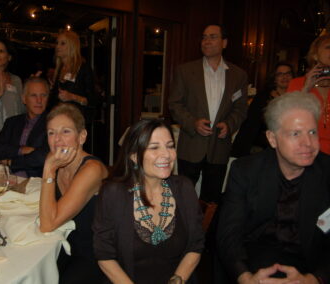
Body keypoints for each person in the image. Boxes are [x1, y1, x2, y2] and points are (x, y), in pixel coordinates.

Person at [216, 91, 330, 284]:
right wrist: (245, 278)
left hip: (311, 264)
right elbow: (229, 234)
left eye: (312, 132)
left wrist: (315, 279)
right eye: (295, 134)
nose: (308, 143)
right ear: (272, 138)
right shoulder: (245, 171)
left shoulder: (327, 171)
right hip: (253, 261)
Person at [93, 119, 205, 284]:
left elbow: (196, 245)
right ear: (134, 155)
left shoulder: (184, 188)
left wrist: (177, 281)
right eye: (154, 147)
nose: (166, 154)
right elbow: (104, 254)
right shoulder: (113, 193)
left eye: (170, 146)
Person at [168, 24, 248, 204]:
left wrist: (229, 124)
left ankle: (206, 232)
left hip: (219, 147)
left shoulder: (238, 75)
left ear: (224, 43)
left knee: (211, 201)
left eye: (212, 37)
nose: (206, 41)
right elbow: (174, 104)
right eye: (204, 37)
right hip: (191, 145)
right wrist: (193, 122)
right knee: (182, 198)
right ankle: (182, 231)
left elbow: (241, 108)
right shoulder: (185, 71)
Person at [39, 103, 108, 283]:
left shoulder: (92, 169)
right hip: (65, 246)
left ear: (82, 136)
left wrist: (48, 171)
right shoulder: (56, 161)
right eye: (51, 133)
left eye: (66, 131)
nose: (57, 140)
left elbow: (48, 223)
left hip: (96, 254)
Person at [0, 77, 50, 177]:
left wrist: (10, 162)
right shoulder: (12, 122)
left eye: (43, 95)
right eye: (34, 95)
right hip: (7, 179)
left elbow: (44, 157)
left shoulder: (53, 124)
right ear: (24, 99)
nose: (39, 100)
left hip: (35, 183)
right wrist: (21, 150)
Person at [231, 62, 294, 157]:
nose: (284, 77)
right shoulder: (262, 97)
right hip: (264, 147)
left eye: (288, 74)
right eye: (280, 74)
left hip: (290, 145)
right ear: (274, 78)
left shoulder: (297, 97)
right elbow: (251, 124)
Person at [288, 33, 330, 154]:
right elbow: (288, 119)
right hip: (307, 150)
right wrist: (306, 89)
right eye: (328, 47)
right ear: (315, 55)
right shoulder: (297, 84)